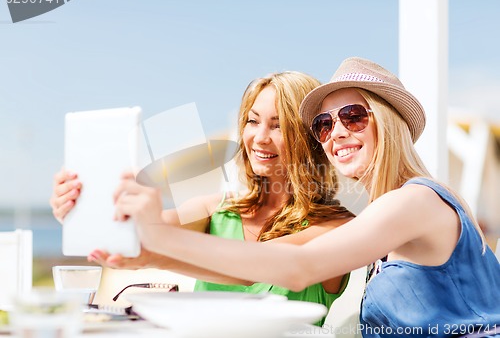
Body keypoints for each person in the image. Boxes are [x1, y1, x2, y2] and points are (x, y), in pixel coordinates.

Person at [118, 57, 500, 337]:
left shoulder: (413, 202)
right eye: (323, 124)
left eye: (353, 116)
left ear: (387, 121)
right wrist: (146, 248)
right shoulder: (387, 212)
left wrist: (160, 240)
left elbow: (299, 265)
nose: (336, 133)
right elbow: (253, 271)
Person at [50, 71, 355, 326]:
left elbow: (257, 268)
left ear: (309, 136)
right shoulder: (215, 210)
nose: (260, 137)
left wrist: (155, 254)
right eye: (252, 121)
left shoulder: (338, 227)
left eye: (278, 126)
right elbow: (143, 229)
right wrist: (83, 208)